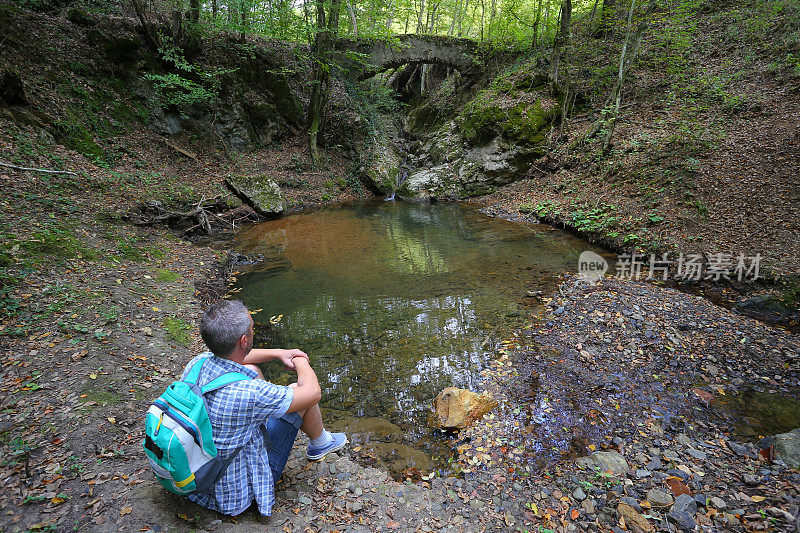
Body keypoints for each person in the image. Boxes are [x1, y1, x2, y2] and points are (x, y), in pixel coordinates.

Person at [181, 299, 347, 517]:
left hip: (197, 479)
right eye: (252, 328)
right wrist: (300, 360)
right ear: (243, 340)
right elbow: (313, 392)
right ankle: (320, 443)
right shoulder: (247, 392)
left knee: (250, 367)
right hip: (235, 494)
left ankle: (282, 422)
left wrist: (280, 353)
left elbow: (241, 357)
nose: (253, 331)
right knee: (298, 389)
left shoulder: (198, 362)